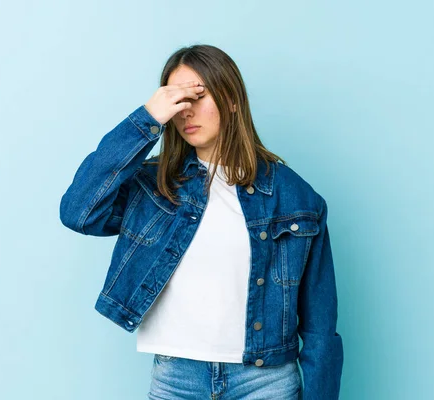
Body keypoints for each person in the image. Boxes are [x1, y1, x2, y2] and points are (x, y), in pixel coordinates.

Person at [59, 44, 343, 399]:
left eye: (198, 94)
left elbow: (320, 326)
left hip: (263, 383)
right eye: (175, 100)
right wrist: (147, 118)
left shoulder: (294, 197)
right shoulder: (154, 186)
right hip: (176, 379)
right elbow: (78, 212)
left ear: (233, 99)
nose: (185, 111)